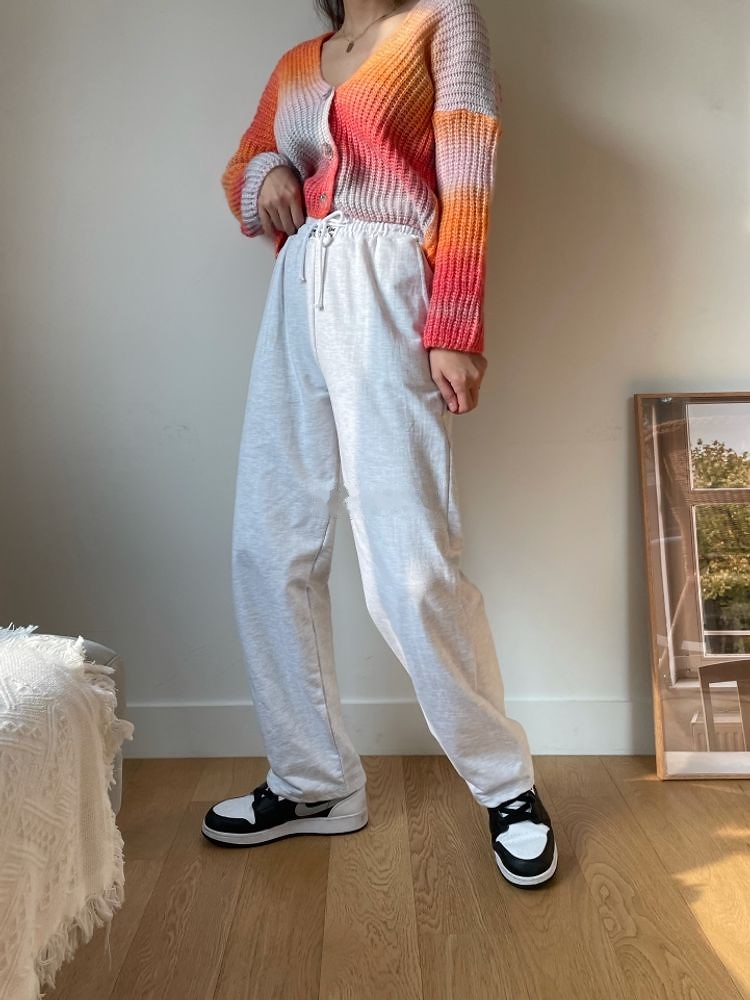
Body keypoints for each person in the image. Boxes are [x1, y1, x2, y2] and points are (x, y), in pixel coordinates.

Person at [202, 0, 558, 889]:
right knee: (267, 543)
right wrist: (266, 176)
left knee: (409, 561)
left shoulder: (444, 21)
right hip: (297, 289)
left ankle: (506, 784)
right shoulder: (300, 61)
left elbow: (468, 173)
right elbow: (245, 162)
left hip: (390, 281)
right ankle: (314, 781)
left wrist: (456, 323)